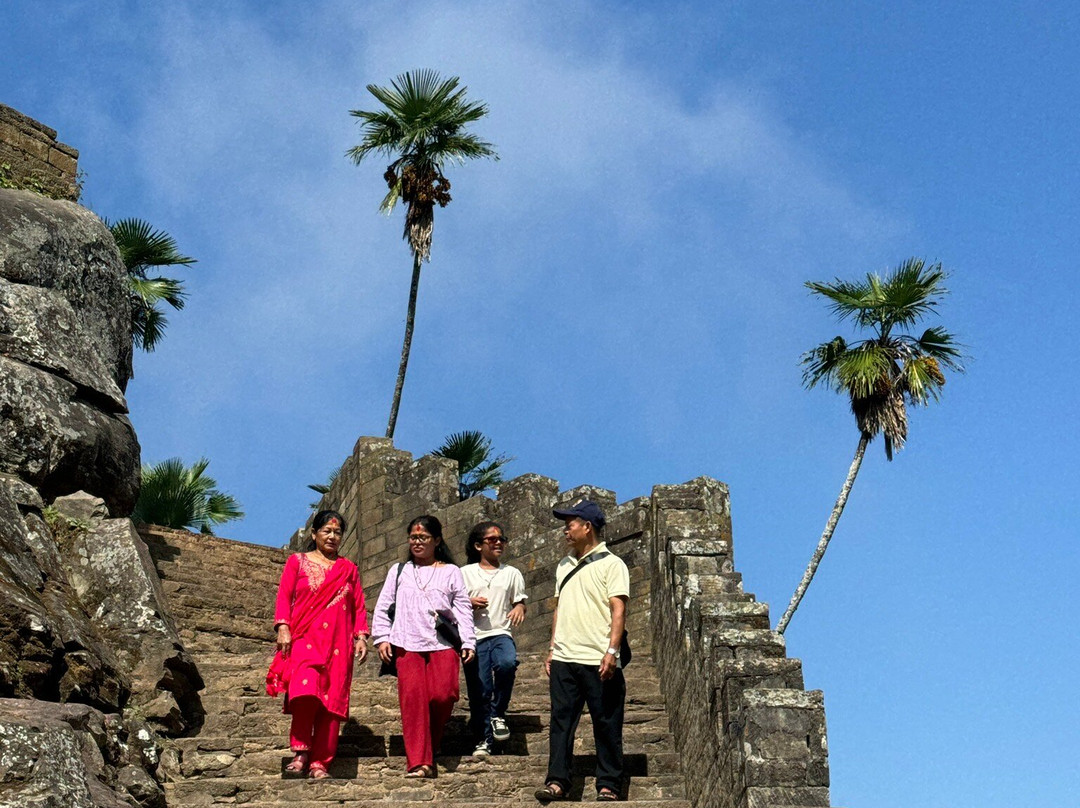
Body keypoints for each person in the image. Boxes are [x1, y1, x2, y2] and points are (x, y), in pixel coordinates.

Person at [535, 500, 629, 803]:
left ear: (587, 527)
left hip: (597, 657)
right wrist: (552, 648)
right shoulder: (564, 565)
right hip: (564, 657)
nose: (566, 530)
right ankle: (557, 782)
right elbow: (559, 608)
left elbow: (618, 609)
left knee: (606, 723)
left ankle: (609, 783)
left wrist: (612, 651)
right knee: (561, 723)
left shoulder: (612, 564)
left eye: (570, 524)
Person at [372, 515, 476, 778]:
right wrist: (382, 637)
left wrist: (468, 640)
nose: (417, 542)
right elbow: (384, 606)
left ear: (437, 540)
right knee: (413, 701)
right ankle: (420, 762)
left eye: (423, 537)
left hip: (442, 643)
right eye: (413, 537)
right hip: (406, 643)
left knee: (444, 695)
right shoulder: (399, 571)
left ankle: (432, 740)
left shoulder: (451, 571)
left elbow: (463, 608)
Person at [268, 510, 369, 780]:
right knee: (305, 692)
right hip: (304, 638)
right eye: (327, 531)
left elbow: (358, 605)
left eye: (337, 532)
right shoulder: (297, 562)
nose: (332, 536)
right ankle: (301, 752)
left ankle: (320, 762)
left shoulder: (349, 569)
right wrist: (283, 627)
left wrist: (361, 636)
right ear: (314, 534)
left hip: (338, 642)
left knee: (331, 700)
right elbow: (284, 595)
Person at [461, 521, 528, 756]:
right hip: (474, 637)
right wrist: (469, 602)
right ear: (478, 545)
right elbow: (453, 604)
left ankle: (498, 713)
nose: (498, 543)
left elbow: (519, 601)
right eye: (492, 539)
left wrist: (519, 607)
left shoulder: (512, 573)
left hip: (501, 632)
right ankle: (483, 740)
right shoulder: (464, 573)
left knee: (507, 664)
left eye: (501, 539)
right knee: (480, 689)